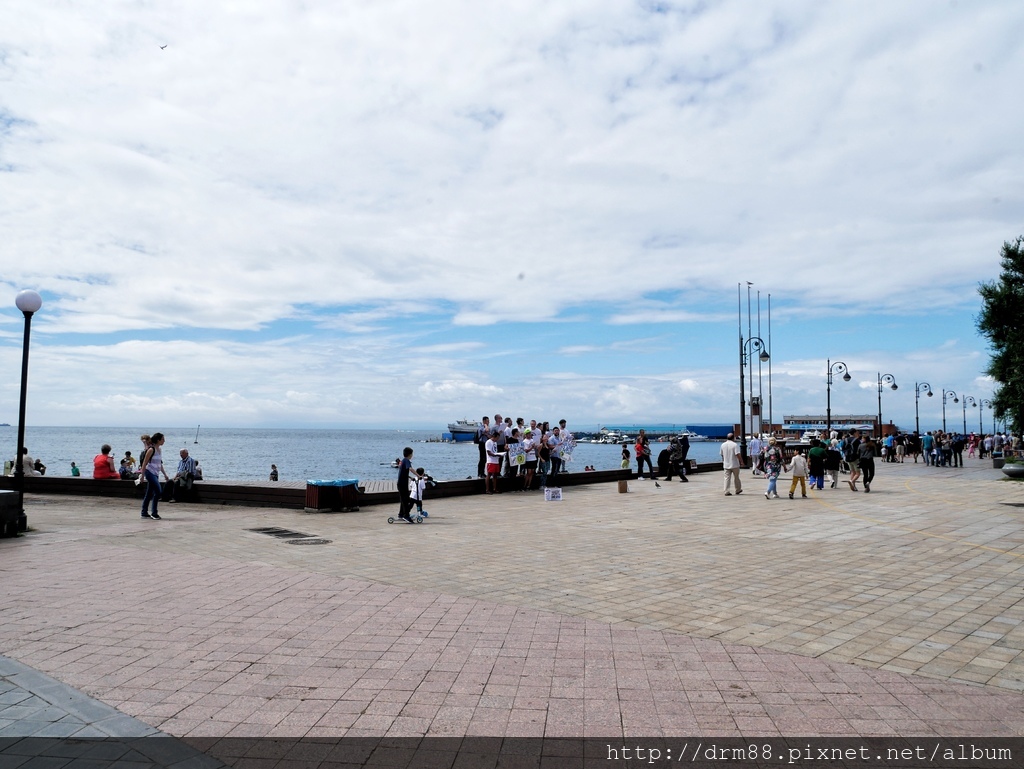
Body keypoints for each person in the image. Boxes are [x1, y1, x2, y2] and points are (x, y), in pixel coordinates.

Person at [139, 432, 170, 519]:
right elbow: (144, 463)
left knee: (149, 493)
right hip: (149, 472)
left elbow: (159, 464)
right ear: (158, 440)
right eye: (163, 439)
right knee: (158, 491)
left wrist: (165, 474)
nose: (164, 441)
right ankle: (154, 513)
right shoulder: (151, 450)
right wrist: (142, 476)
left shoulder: (159, 450)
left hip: (156, 473)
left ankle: (144, 513)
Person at [396, 447, 415, 522]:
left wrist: (410, 477)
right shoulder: (407, 461)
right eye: (412, 454)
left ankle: (401, 514)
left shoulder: (403, 461)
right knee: (405, 499)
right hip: (402, 484)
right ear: (410, 454)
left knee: (403, 499)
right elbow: (410, 469)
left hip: (401, 483)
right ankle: (406, 515)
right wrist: (418, 475)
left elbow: (403, 473)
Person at [485, 430, 502, 495]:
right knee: (489, 474)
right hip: (491, 461)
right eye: (497, 438)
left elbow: (495, 451)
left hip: (496, 461)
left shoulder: (495, 443)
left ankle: (494, 488)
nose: (497, 439)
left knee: (495, 475)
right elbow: (489, 452)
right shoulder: (488, 442)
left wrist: (498, 455)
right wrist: (496, 455)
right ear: (494, 437)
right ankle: (487, 489)